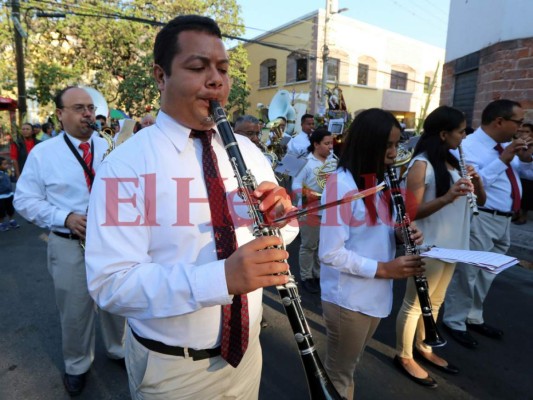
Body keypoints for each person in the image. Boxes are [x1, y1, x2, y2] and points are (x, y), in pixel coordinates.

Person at [84, 15, 298, 400]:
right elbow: (110, 284)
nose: (216, 80)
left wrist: (283, 217)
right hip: (172, 372)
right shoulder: (123, 167)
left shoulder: (249, 152)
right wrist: (222, 279)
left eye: (223, 69)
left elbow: (280, 235)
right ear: (160, 76)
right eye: (198, 67)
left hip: (248, 357)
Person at [14, 86, 126, 396]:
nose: (88, 114)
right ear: (60, 115)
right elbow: (24, 200)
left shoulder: (109, 147)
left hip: (112, 243)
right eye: (78, 108)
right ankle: (77, 364)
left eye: (90, 107)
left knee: (117, 301)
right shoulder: (43, 154)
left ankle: (118, 349)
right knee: (75, 309)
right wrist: (65, 217)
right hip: (68, 242)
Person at [318, 108, 425, 399]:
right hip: (349, 299)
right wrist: (385, 269)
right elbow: (329, 253)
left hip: (374, 294)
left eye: (396, 144)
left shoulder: (377, 180)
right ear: (369, 145)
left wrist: (401, 234)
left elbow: (374, 232)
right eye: (388, 145)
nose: (394, 153)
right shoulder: (340, 184)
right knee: (340, 375)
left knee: (348, 367)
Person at [394, 106, 486, 387]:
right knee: (414, 304)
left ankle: (424, 346)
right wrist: (448, 197)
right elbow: (410, 212)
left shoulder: (454, 162)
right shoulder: (421, 164)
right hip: (429, 245)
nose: (464, 136)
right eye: (460, 131)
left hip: (454, 244)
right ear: (444, 134)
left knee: (435, 302)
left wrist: (477, 183)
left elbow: (480, 202)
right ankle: (404, 354)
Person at [443, 99, 533, 348]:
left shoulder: (505, 145)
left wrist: (526, 158)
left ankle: (473, 316)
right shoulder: (467, 146)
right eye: (518, 121)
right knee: (468, 272)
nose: (521, 127)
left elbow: (526, 175)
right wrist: (503, 158)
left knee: (487, 273)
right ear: (500, 121)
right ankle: (454, 321)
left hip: (504, 219)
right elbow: (473, 184)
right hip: (481, 216)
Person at [292, 127, 336, 294]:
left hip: (329, 210)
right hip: (310, 209)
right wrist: (309, 195)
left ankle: (317, 275)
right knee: (308, 246)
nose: (330, 147)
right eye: (326, 143)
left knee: (321, 246)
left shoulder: (333, 160)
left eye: (331, 143)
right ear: (316, 144)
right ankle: (306, 277)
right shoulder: (306, 162)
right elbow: (296, 185)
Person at [514, 122, 533, 225]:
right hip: (518, 174)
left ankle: (523, 215)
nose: (523, 133)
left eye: (527, 131)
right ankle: (516, 212)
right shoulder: (516, 143)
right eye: (521, 131)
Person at [0, 156, 19, 231]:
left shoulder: (8, 172)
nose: (7, 166)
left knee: (10, 209)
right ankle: (1, 224)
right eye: (4, 164)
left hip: (9, 194)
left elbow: (12, 179)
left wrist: (17, 178)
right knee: (1, 211)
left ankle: (12, 220)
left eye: (7, 164)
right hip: (0, 196)